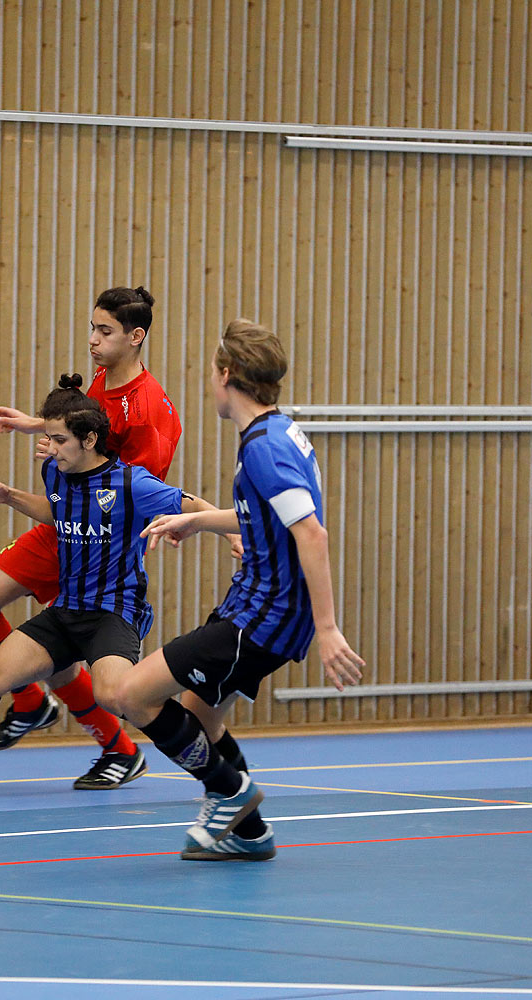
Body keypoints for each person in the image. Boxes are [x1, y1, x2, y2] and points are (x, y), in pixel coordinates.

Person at [98, 319, 366, 862]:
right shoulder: (275, 432)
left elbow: (311, 532)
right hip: (255, 605)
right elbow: (264, 515)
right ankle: (251, 833)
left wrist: (328, 628)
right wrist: (200, 522)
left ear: (226, 375)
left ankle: (229, 791)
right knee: (200, 712)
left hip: (261, 617)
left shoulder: (265, 449)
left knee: (129, 694)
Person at [0, 375, 200, 797]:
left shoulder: (133, 485)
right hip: (66, 611)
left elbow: (195, 506)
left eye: (59, 440)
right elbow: (55, 510)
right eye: (49, 438)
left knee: (116, 694)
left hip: (113, 614)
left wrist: (227, 532)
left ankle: (203, 750)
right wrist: (10, 497)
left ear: (90, 439)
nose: (49, 448)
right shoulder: (55, 472)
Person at [0, 286, 185, 790]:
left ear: (136, 336)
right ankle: (32, 702)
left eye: (104, 331)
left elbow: (136, 490)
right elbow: (89, 430)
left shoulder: (148, 411)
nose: (92, 340)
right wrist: (34, 425)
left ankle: (121, 748)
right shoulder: (104, 377)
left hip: (92, 542)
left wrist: (197, 524)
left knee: (56, 653)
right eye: (93, 328)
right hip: (62, 523)